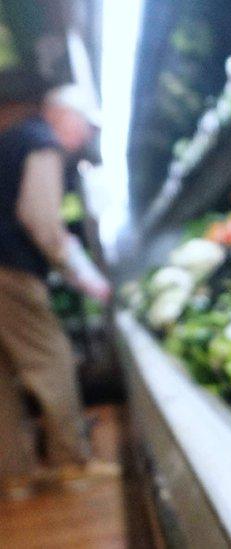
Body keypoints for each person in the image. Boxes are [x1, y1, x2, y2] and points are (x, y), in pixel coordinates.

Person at [0, 84, 113, 499]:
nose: (84, 137)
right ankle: (71, 463)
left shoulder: (11, 139)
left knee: (2, 374)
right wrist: (83, 275)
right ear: (63, 116)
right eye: (84, 126)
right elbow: (41, 218)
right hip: (8, 269)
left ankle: (12, 474)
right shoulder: (41, 143)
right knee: (51, 358)